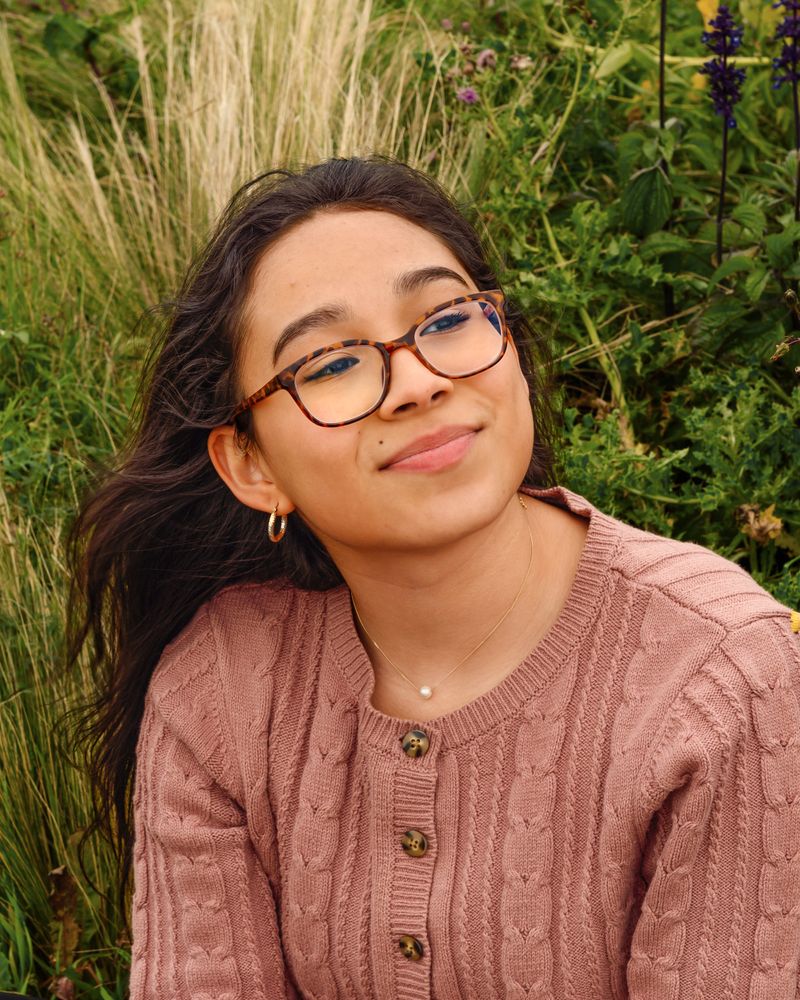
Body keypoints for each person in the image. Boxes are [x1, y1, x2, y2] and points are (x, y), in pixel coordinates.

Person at [66, 156, 800, 1000]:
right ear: (250, 464)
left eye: (447, 319)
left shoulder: (720, 676)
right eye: (331, 364)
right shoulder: (220, 690)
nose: (417, 383)